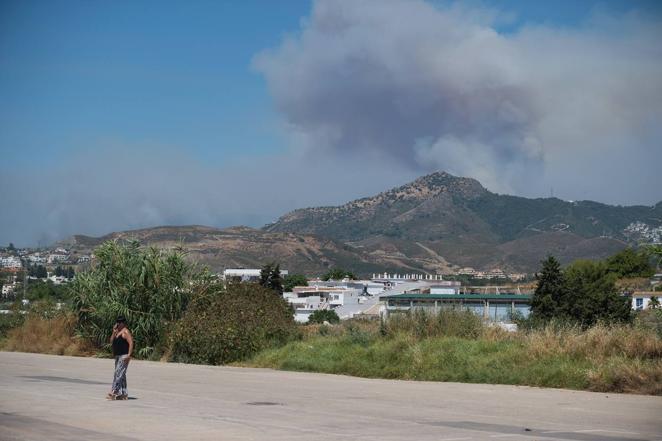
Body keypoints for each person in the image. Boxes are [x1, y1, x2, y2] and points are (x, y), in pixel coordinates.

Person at [107, 316, 133, 400]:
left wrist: (129, 355)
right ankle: (124, 394)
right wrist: (113, 332)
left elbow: (131, 343)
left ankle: (114, 391)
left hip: (124, 356)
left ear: (123, 323)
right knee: (122, 374)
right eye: (117, 322)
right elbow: (111, 341)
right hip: (117, 356)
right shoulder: (117, 332)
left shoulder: (125, 332)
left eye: (119, 322)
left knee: (118, 373)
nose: (117, 324)